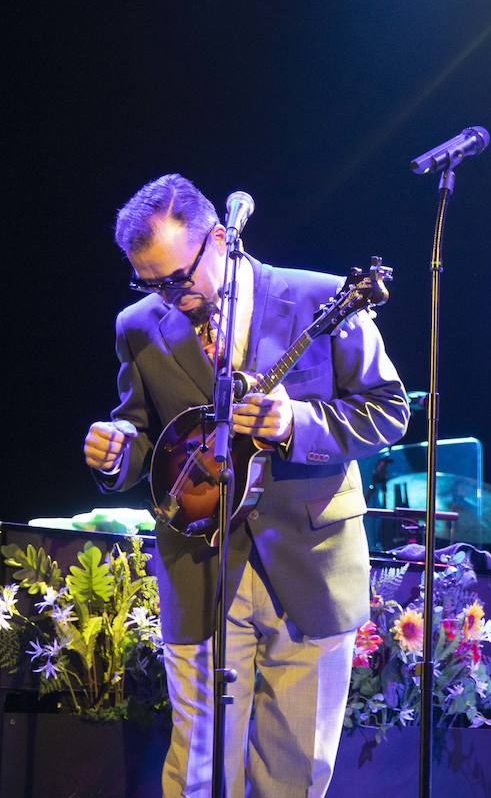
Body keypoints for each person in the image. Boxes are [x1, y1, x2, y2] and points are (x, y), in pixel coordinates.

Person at [83, 173, 409, 797]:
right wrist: (115, 450)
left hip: (311, 561)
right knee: (199, 768)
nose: (167, 297)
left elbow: (389, 410)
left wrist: (297, 422)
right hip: (201, 563)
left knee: (295, 771)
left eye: (177, 279)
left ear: (220, 239)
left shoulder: (323, 298)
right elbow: (148, 436)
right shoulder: (138, 325)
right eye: (148, 284)